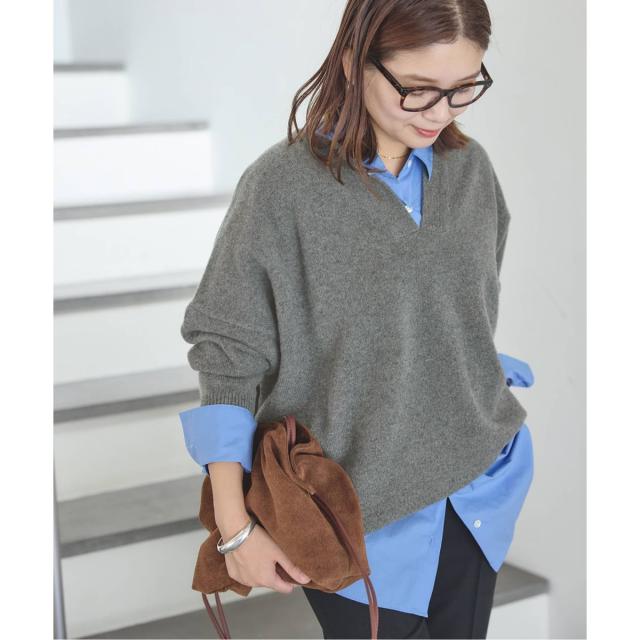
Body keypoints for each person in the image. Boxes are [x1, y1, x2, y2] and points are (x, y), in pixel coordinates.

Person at [178, 0, 535, 638]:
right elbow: (228, 360)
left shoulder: (471, 171)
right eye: (418, 89)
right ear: (353, 61)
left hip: (477, 488)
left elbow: (464, 310)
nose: (440, 113)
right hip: (349, 515)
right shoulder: (281, 189)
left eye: (463, 88)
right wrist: (234, 532)